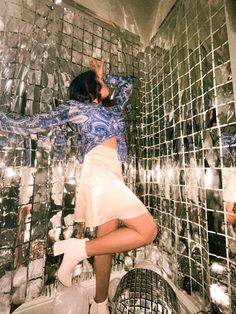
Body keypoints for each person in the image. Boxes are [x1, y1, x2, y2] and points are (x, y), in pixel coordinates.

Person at [0, 58, 158, 313]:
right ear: (89, 88)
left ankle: (100, 303)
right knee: (148, 231)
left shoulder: (113, 109)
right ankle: (77, 250)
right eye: (99, 82)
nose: (104, 83)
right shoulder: (77, 107)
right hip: (98, 171)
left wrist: (102, 73)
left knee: (106, 244)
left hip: (112, 172)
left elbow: (128, 84)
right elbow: (37, 122)